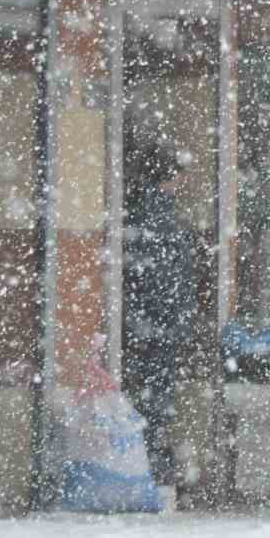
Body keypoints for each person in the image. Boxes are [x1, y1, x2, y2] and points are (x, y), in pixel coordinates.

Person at [122, 137, 197, 487]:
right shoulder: (157, 214)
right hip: (156, 325)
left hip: (151, 324)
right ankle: (149, 466)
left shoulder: (144, 212)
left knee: (152, 398)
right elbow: (163, 275)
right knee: (155, 399)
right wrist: (174, 318)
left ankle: (148, 463)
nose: (182, 183)